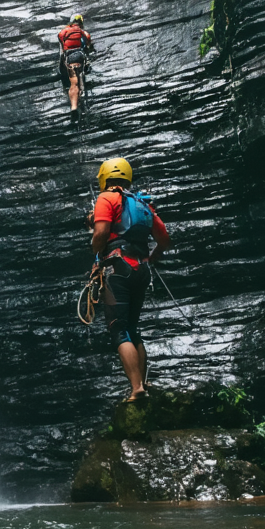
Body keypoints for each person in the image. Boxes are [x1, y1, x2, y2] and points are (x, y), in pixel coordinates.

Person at [87, 158, 171, 402]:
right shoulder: (143, 205)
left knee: (119, 330)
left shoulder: (106, 199)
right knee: (133, 329)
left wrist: (95, 252)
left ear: (105, 177)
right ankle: (143, 383)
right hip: (141, 270)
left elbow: (101, 233)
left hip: (117, 269)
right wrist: (151, 259)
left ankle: (137, 390)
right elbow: (164, 241)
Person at [57, 14, 97, 117]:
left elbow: (62, 49)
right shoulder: (84, 33)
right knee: (81, 74)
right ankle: (83, 98)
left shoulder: (63, 32)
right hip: (80, 56)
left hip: (69, 58)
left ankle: (74, 107)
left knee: (73, 83)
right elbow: (88, 46)